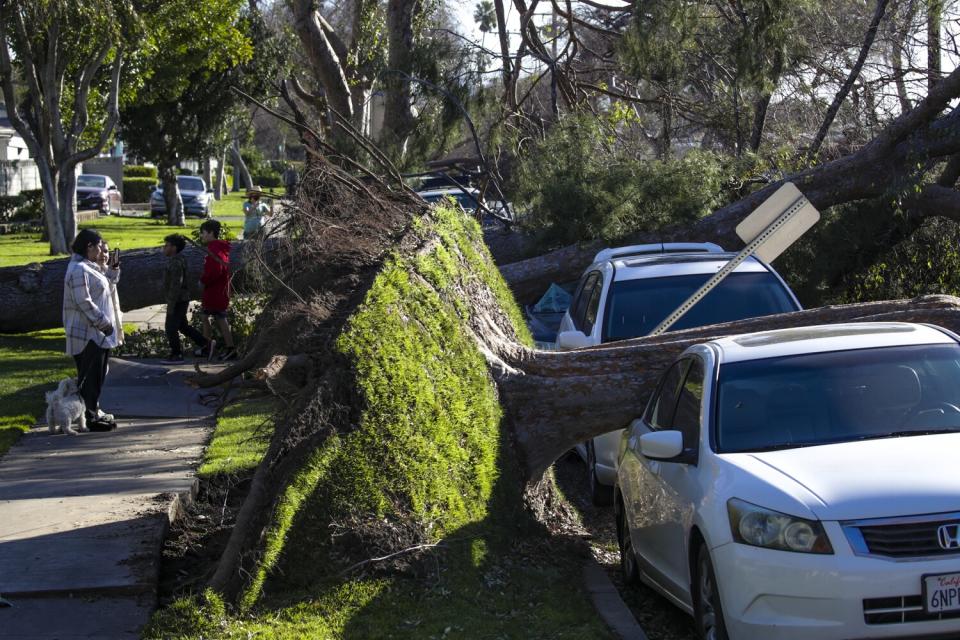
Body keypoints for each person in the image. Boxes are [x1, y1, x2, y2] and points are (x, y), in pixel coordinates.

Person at [63, 229, 123, 431]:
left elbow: (108, 282)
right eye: (98, 246)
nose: (101, 250)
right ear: (88, 247)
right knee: (90, 377)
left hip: (98, 334)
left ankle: (92, 413)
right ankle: (90, 418)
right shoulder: (79, 269)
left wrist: (113, 268)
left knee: (97, 376)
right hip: (88, 333)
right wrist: (103, 323)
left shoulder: (89, 267)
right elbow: (83, 301)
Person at [160, 234, 214, 364]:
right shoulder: (179, 259)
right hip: (181, 299)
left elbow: (176, 284)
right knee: (183, 326)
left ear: (174, 248)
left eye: (166, 245)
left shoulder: (176, 262)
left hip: (178, 300)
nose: (164, 248)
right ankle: (206, 344)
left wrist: (171, 304)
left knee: (170, 327)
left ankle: (176, 354)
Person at [196, 219, 237, 360]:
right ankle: (216, 347)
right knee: (215, 317)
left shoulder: (214, 248)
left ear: (211, 233)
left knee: (214, 317)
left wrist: (203, 281)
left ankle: (210, 347)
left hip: (215, 290)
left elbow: (216, 270)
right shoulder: (219, 247)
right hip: (219, 289)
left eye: (203, 233)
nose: (201, 235)